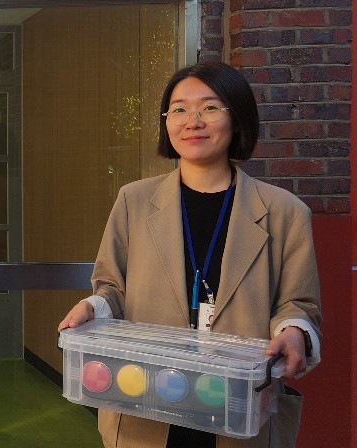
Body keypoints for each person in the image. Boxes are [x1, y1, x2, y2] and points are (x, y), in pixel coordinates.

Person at [57, 61, 321, 448]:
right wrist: (92, 307)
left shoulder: (284, 212)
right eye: (179, 109)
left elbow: (299, 304)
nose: (192, 121)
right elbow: (112, 288)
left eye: (210, 107)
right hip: (146, 402)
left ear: (237, 119)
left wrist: (295, 332)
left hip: (237, 408)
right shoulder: (134, 201)